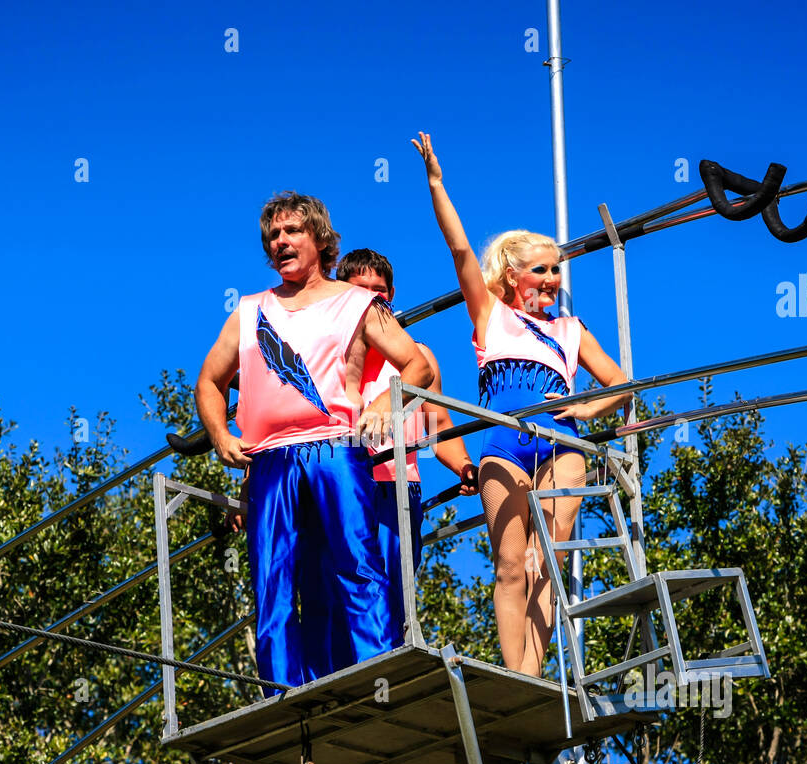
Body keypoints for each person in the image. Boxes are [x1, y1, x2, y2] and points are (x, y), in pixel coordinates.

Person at [412, 132, 633, 678]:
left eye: (557, 271)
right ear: (513, 276)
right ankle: (521, 677)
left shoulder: (571, 329)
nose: (553, 280)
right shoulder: (490, 314)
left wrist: (586, 410)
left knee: (549, 560)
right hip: (502, 444)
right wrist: (437, 183)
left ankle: (535, 670)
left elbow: (622, 386)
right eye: (542, 270)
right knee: (512, 564)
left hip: (561, 441)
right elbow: (461, 250)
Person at [196, 192, 433, 694]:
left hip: (335, 449)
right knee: (272, 580)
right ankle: (282, 695)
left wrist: (379, 408)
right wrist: (220, 434)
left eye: (291, 232)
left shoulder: (359, 303)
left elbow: (417, 365)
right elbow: (209, 380)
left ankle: (376, 677)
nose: (281, 242)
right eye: (273, 236)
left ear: (320, 240)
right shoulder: (250, 309)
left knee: (357, 564)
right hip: (270, 462)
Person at [331, 248, 478, 637]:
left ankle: (388, 676)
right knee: (340, 595)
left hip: (398, 488)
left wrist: (464, 466)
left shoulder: (416, 357)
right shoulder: (327, 353)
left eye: (378, 292)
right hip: (337, 485)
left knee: (394, 596)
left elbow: (437, 429)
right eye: (359, 290)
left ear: (391, 296)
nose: (370, 299)